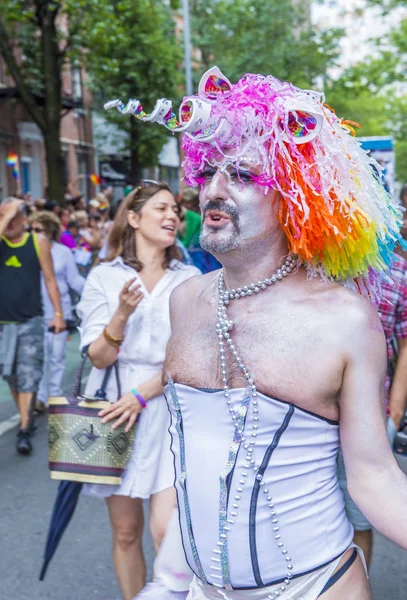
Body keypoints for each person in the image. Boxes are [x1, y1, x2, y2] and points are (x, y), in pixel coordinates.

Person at [107, 68, 407, 600]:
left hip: (316, 588)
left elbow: (374, 476)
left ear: (294, 198)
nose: (215, 190)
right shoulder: (186, 300)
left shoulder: (345, 319)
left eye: (243, 175)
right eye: (210, 172)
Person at [76, 182, 200, 600]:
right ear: (133, 218)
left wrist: (144, 393)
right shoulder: (104, 276)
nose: (172, 217)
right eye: (162, 208)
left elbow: (192, 356)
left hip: (170, 408)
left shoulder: (190, 278)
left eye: (176, 211)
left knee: (166, 531)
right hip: (115, 414)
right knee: (126, 532)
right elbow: (98, 357)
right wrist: (121, 315)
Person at [336, 252, 407, 567]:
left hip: (372, 414)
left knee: (359, 519)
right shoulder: (311, 256)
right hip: (310, 414)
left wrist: (395, 408)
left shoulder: (398, 269)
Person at [0, 198, 65, 454]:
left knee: (28, 374)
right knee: (11, 375)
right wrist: (7, 215)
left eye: (14, 216)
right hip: (4, 324)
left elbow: (50, 281)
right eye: (4, 216)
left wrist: (58, 313)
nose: (9, 222)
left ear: (24, 219)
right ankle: (26, 416)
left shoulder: (37, 242)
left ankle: (25, 427)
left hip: (30, 321)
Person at [28, 211, 85, 413]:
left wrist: (94, 292)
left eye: (39, 230)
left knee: (58, 356)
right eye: (31, 230)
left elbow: (74, 280)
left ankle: (54, 394)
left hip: (60, 311)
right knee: (39, 357)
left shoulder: (63, 252)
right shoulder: (29, 251)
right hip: (35, 311)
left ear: (50, 232)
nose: (34, 234)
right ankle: (41, 398)